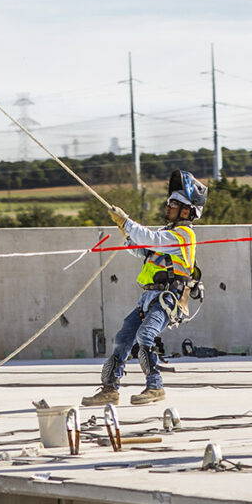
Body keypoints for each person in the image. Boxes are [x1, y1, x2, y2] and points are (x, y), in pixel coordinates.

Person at [87, 169, 207, 406]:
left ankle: (155, 387)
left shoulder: (184, 235)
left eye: (173, 203)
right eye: (169, 202)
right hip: (149, 297)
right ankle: (109, 388)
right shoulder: (167, 233)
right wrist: (125, 230)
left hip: (168, 297)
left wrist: (127, 222)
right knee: (123, 338)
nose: (168, 206)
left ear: (186, 210)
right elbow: (140, 248)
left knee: (145, 335)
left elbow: (150, 240)